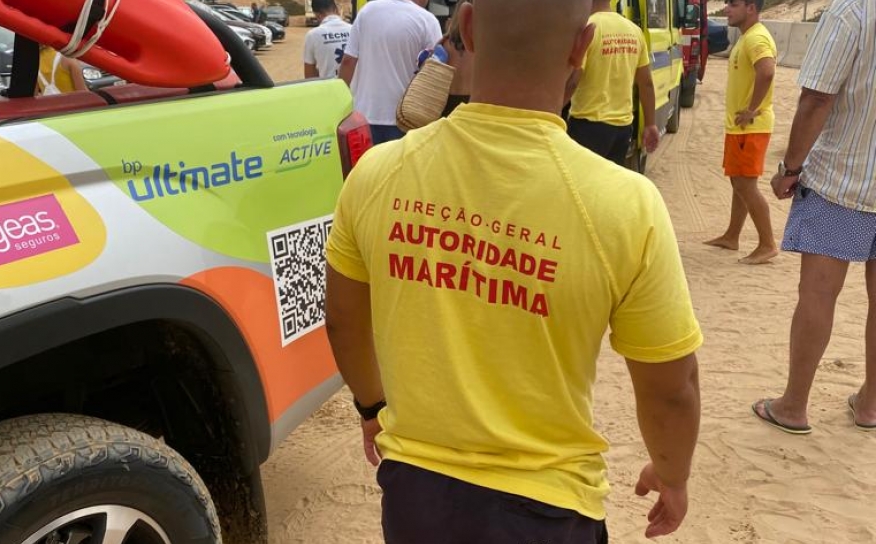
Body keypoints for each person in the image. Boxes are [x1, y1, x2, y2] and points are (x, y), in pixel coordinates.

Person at [324, 0, 702, 541]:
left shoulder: (379, 172)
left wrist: (371, 407)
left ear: (469, 28)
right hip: (548, 507)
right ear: (581, 47)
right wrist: (673, 474)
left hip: (417, 497)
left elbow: (343, 319)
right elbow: (672, 386)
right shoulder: (626, 204)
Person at [752, 0, 876, 435]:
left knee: (819, 294)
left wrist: (790, 168)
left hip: (844, 180)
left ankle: (793, 405)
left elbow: (818, 97)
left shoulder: (852, 12)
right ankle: (870, 404)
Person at [703, 0, 777, 265]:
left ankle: (767, 244)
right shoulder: (747, 37)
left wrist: (752, 109)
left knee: (746, 184)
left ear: (751, 8)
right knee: (738, 182)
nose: (726, 10)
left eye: (733, 4)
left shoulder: (756, 38)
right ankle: (732, 236)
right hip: (741, 128)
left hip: (750, 127)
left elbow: (766, 72)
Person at [565, 0, 659, 165]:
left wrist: (552, 112)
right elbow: (646, 83)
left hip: (587, 126)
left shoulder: (588, 28)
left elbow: (573, 81)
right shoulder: (634, 31)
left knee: (584, 185)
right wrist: (650, 124)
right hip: (622, 129)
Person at [339, 0, 442, 144]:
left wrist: (340, 103)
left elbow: (348, 62)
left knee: (367, 166)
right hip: (406, 120)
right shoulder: (427, 20)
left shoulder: (367, 11)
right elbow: (437, 72)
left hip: (364, 117)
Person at [303, 0, 352, 79]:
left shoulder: (312, 35)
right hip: (354, 89)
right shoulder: (353, 29)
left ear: (316, 14)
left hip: (329, 89)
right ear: (336, 9)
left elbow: (309, 76)